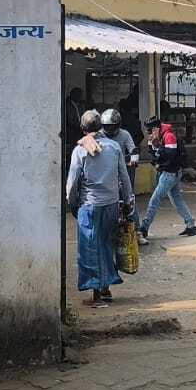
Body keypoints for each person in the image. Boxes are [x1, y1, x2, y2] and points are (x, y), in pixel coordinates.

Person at [65, 110, 133, 307]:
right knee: (106, 245)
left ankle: (96, 295)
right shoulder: (114, 147)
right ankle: (105, 288)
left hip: (90, 205)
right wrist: (128, 200)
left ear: (82, 128)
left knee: (90, 249)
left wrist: (72, 202)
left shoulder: (80, 150)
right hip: (111, 204)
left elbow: (72, 182)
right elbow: (124, 176)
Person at [139, 114, 196, 239]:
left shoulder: (169, 136)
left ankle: (144, 228)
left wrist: (157, 147)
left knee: (155, 200)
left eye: (150, 130)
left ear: (156, 128)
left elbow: (169, 156)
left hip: (170, 173)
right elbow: (154, 156)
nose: (149, 133)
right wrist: (154, 146)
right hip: (170, 173)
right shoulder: (156, 137)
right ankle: (191, 225)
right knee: (176, 199)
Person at [100, 108, 147, 245]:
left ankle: (137, 232)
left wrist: (134, 159)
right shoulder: (99, 135)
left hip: (123, 170)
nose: (109, 129)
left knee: (129, 198)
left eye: (112, 126)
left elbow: (133, 149)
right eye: (107, 126)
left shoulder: (124, 134)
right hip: (105, 173)